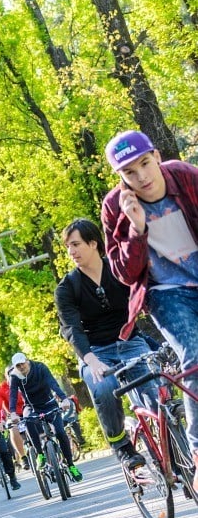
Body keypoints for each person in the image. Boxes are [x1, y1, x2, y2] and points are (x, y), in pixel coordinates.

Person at [101, 130, 198, 490]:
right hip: (165, 292)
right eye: (130, 172)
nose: (141, 176)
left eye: (145, 164)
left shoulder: (186, 177)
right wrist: (137, 227)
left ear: (156, 156)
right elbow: (125, 273)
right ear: (121, 177)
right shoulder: (115, 207)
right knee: (194, 353)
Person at [55, 217, 159, 472]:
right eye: (68, 246)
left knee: (157, 394)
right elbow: (71, 329)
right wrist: (90, 361)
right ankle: (121, 445)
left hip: (131, 343)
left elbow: (146, 298)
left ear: (93, 244)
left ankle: (170, 446)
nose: (71, 251)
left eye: (76, 244)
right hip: (96, 352)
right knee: (104, 388)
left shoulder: (119, 270)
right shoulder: (67, 288)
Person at [8, 353, 83, 481]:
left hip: (49, 404)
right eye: (18, 366)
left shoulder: (40, 367)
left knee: (60, 433)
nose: (21, 367)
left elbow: (52, 383)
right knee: (28, 421)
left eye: (22, 364)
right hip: (31, 407)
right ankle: (40, 454)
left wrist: (64, 399)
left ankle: (71, 465)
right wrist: (13, 412)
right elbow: (13, 395)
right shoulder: (15, 376)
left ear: (27, 361)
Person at [0, 367, 29, 469]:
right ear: (6, 376)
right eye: (10, 374)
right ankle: (23, 457)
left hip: (30, 412)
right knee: (13, 428)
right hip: (14, 416)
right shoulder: (1, 390)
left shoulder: (27, 382)